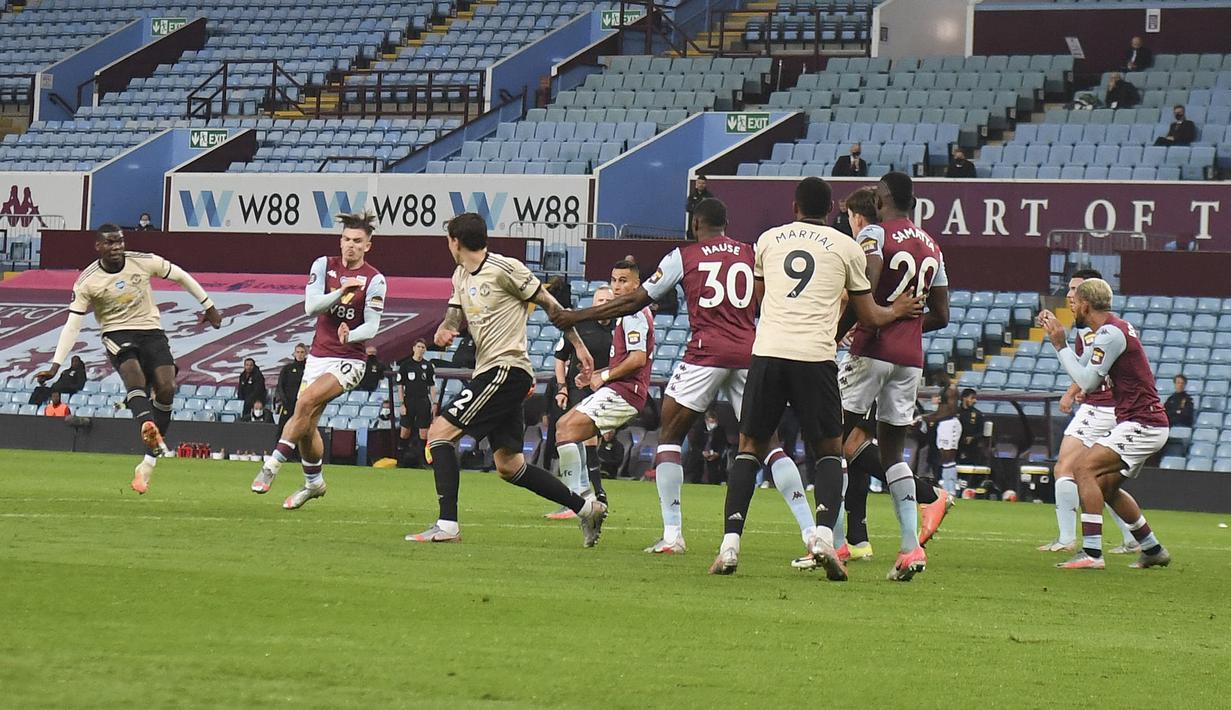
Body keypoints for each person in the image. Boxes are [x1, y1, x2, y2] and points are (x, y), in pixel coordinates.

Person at [552, 198, 819, 557]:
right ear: (726, 224)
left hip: (705, 354)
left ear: (695, 225)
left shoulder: (684, 256)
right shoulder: (751, 252)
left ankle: (673, 535)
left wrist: (578, 315)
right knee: (769, 443)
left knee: (670, 437)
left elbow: (635, 301)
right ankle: (811, 534)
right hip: (748, 353)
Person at [707, 177, 922, 578]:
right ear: (830, 211)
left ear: (795, 207)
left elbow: (759, 297)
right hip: (815, 356)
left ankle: (730, 546)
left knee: (750, 448)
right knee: (828, 451)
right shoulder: (847, 247)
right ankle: (824, 537)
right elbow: (869, 314)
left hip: (769, 352)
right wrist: (898, 310)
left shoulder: (768, 240)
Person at [406, 212, 606, 546]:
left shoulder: (506, 268)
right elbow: (454, 316)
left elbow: (553, 307)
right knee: (510, 466)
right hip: (493, 372)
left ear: (455, 241)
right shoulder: (460, 275)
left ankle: (447, 525)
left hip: (506, 370)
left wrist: (580, 347)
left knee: (440, 433)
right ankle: (587, 508)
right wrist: (445, 329)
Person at [35, 224, 221, 493]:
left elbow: (180, 275)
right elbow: (73, 324)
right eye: (110, 243)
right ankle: (146, 423)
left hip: (151, 331)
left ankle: (147, 464)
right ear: (98, 246)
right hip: (116, 332)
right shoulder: (88, 281)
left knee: (167, 388)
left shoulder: (143, 261)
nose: (116, 247)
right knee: (134, 375)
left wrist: (209, 305)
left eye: (120, 242)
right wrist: (56, 364)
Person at [829, 172, 951, 582]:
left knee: (832, 441)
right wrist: (908, 324)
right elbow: (943, 314)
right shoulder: (932, 245)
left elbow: (864, 289)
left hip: (871, 350)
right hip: (910, 359)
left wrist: (837, 333)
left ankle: (830, 542)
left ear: (881, 199)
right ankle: (909, 547)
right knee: (893, 454)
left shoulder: (877, 235)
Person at [250, 211, 387, 508]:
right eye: (347, 239)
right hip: (318, 356)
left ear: (368, 245)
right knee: (307, 426)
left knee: (305, 401)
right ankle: (314, 483)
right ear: (340, 241)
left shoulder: (375, 279)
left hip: (350, 359)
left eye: (358, 241)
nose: (351, 245)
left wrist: (351, 335)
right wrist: (340, 292)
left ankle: (271, 465)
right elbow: (311, 308)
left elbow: (372, 326)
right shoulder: (324, 266)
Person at [1038, 278, 1171, 570]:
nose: (1072, 306)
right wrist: (1060, 343)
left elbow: (1087, 381)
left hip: (1143, 423)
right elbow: (1083, 370)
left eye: (1075, 302)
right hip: (1140, 420)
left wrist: (1060, 345)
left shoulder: (1110, 333)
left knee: (1083, 469)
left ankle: (1092, 553)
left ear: (1086, 305)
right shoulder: (1109, 331)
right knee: (1105, 487)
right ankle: (1152, 548)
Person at [549, 258, 653, 533]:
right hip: (617, 389)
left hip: (626, 393)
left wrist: (603, 376)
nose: (617, 287)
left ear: (637, 285)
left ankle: (581, 503)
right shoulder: (626, 314)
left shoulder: (633, 314)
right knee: (563, 428)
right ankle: (586, 502)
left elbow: (638, 359)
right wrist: (595, 375)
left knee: (567, 430)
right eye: (614, 280)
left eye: (624, 281)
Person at [544, 287, 615, 519]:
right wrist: (561, 387)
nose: (604, 304)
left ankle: (585, 495)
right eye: (600, 300)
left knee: (588, 440)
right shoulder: (580, 326)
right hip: (578, 388)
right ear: (594, 303)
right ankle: (586, 494)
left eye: (608, 300)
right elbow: (560, 358)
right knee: (578, 436)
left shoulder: (620, 328)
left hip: (606, 389)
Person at [397, 338, 437, 466]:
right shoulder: (405, 365)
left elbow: (432, 386)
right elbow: (400, 386)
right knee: (405, 430)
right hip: (409, 400)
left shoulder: (428, 366)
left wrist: (434, 403)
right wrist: (401, 404)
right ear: (413, 348)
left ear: (425, 350)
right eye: (418, 346)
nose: (420, 349)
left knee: (424, 432)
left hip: (423, 401)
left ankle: (422, 461)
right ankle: (400, 459)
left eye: (423, 347)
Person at [927, 371, 961, 496]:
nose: (936, 382)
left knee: (948, 456)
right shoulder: (943, 390)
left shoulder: (951, 390)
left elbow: (951, 411)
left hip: (950, 424)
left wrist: (933, 417)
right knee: (942, 454)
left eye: (937, 379)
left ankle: (951, 488)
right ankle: (947, 487)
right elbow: (940, 411)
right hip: (942, 425)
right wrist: (925, 417)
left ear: (942, 376)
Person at [275, 343, 307, 430]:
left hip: (302, 404)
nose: (300, 354)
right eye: (298, 352)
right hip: (288, 404)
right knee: (283, 428)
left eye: (302, 352)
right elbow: (280, 385)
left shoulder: (309, 369)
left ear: (305, 354)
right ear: (294, 353)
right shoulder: (287, 368)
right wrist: (284, 400)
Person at [956, 388, 984, 464]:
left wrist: (973, 437)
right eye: (972, 398)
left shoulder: (978, 414)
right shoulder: (954, 412)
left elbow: (981, 432)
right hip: (955, 447)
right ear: (964, 398)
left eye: (975, 398)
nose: (975, 401)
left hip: (971, 449)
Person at [700, 409, 728, 484]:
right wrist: (702, 453)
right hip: (701, 456)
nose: (713, 424)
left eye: (714, 422)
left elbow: (723, 444)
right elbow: (695, 444)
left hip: (715, 456)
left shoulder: (720, 430)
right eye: (711, 422)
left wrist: (717, 453)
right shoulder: (700, 429)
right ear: (706, 421)